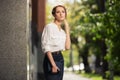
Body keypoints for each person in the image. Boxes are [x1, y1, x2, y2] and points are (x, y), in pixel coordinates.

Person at [41, 5, 71, 80]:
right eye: (58, 12)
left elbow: (67, 47)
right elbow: (46, 47)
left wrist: (67, 29)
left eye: (63, 12)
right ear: (54, 14)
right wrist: (53, 65)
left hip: (60, 58)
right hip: (51, 58)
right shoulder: (49, 27)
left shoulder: (62, 31)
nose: (61, 14)